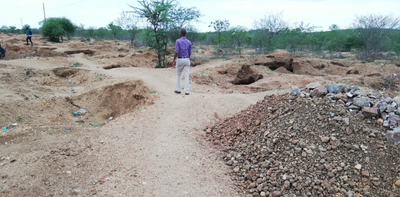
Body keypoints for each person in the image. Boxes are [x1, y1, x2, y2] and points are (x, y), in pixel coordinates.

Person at [173, 28, 192, 95]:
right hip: (186, 59)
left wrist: (173, 60)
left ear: (180, 33)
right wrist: (187, 59)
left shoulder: (178, 41)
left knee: (178, 74)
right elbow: (190, 53)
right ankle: (187, 91)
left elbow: (176, 51)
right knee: (187, 75)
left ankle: (178, 89)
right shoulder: (189, 42)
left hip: (180, 59)